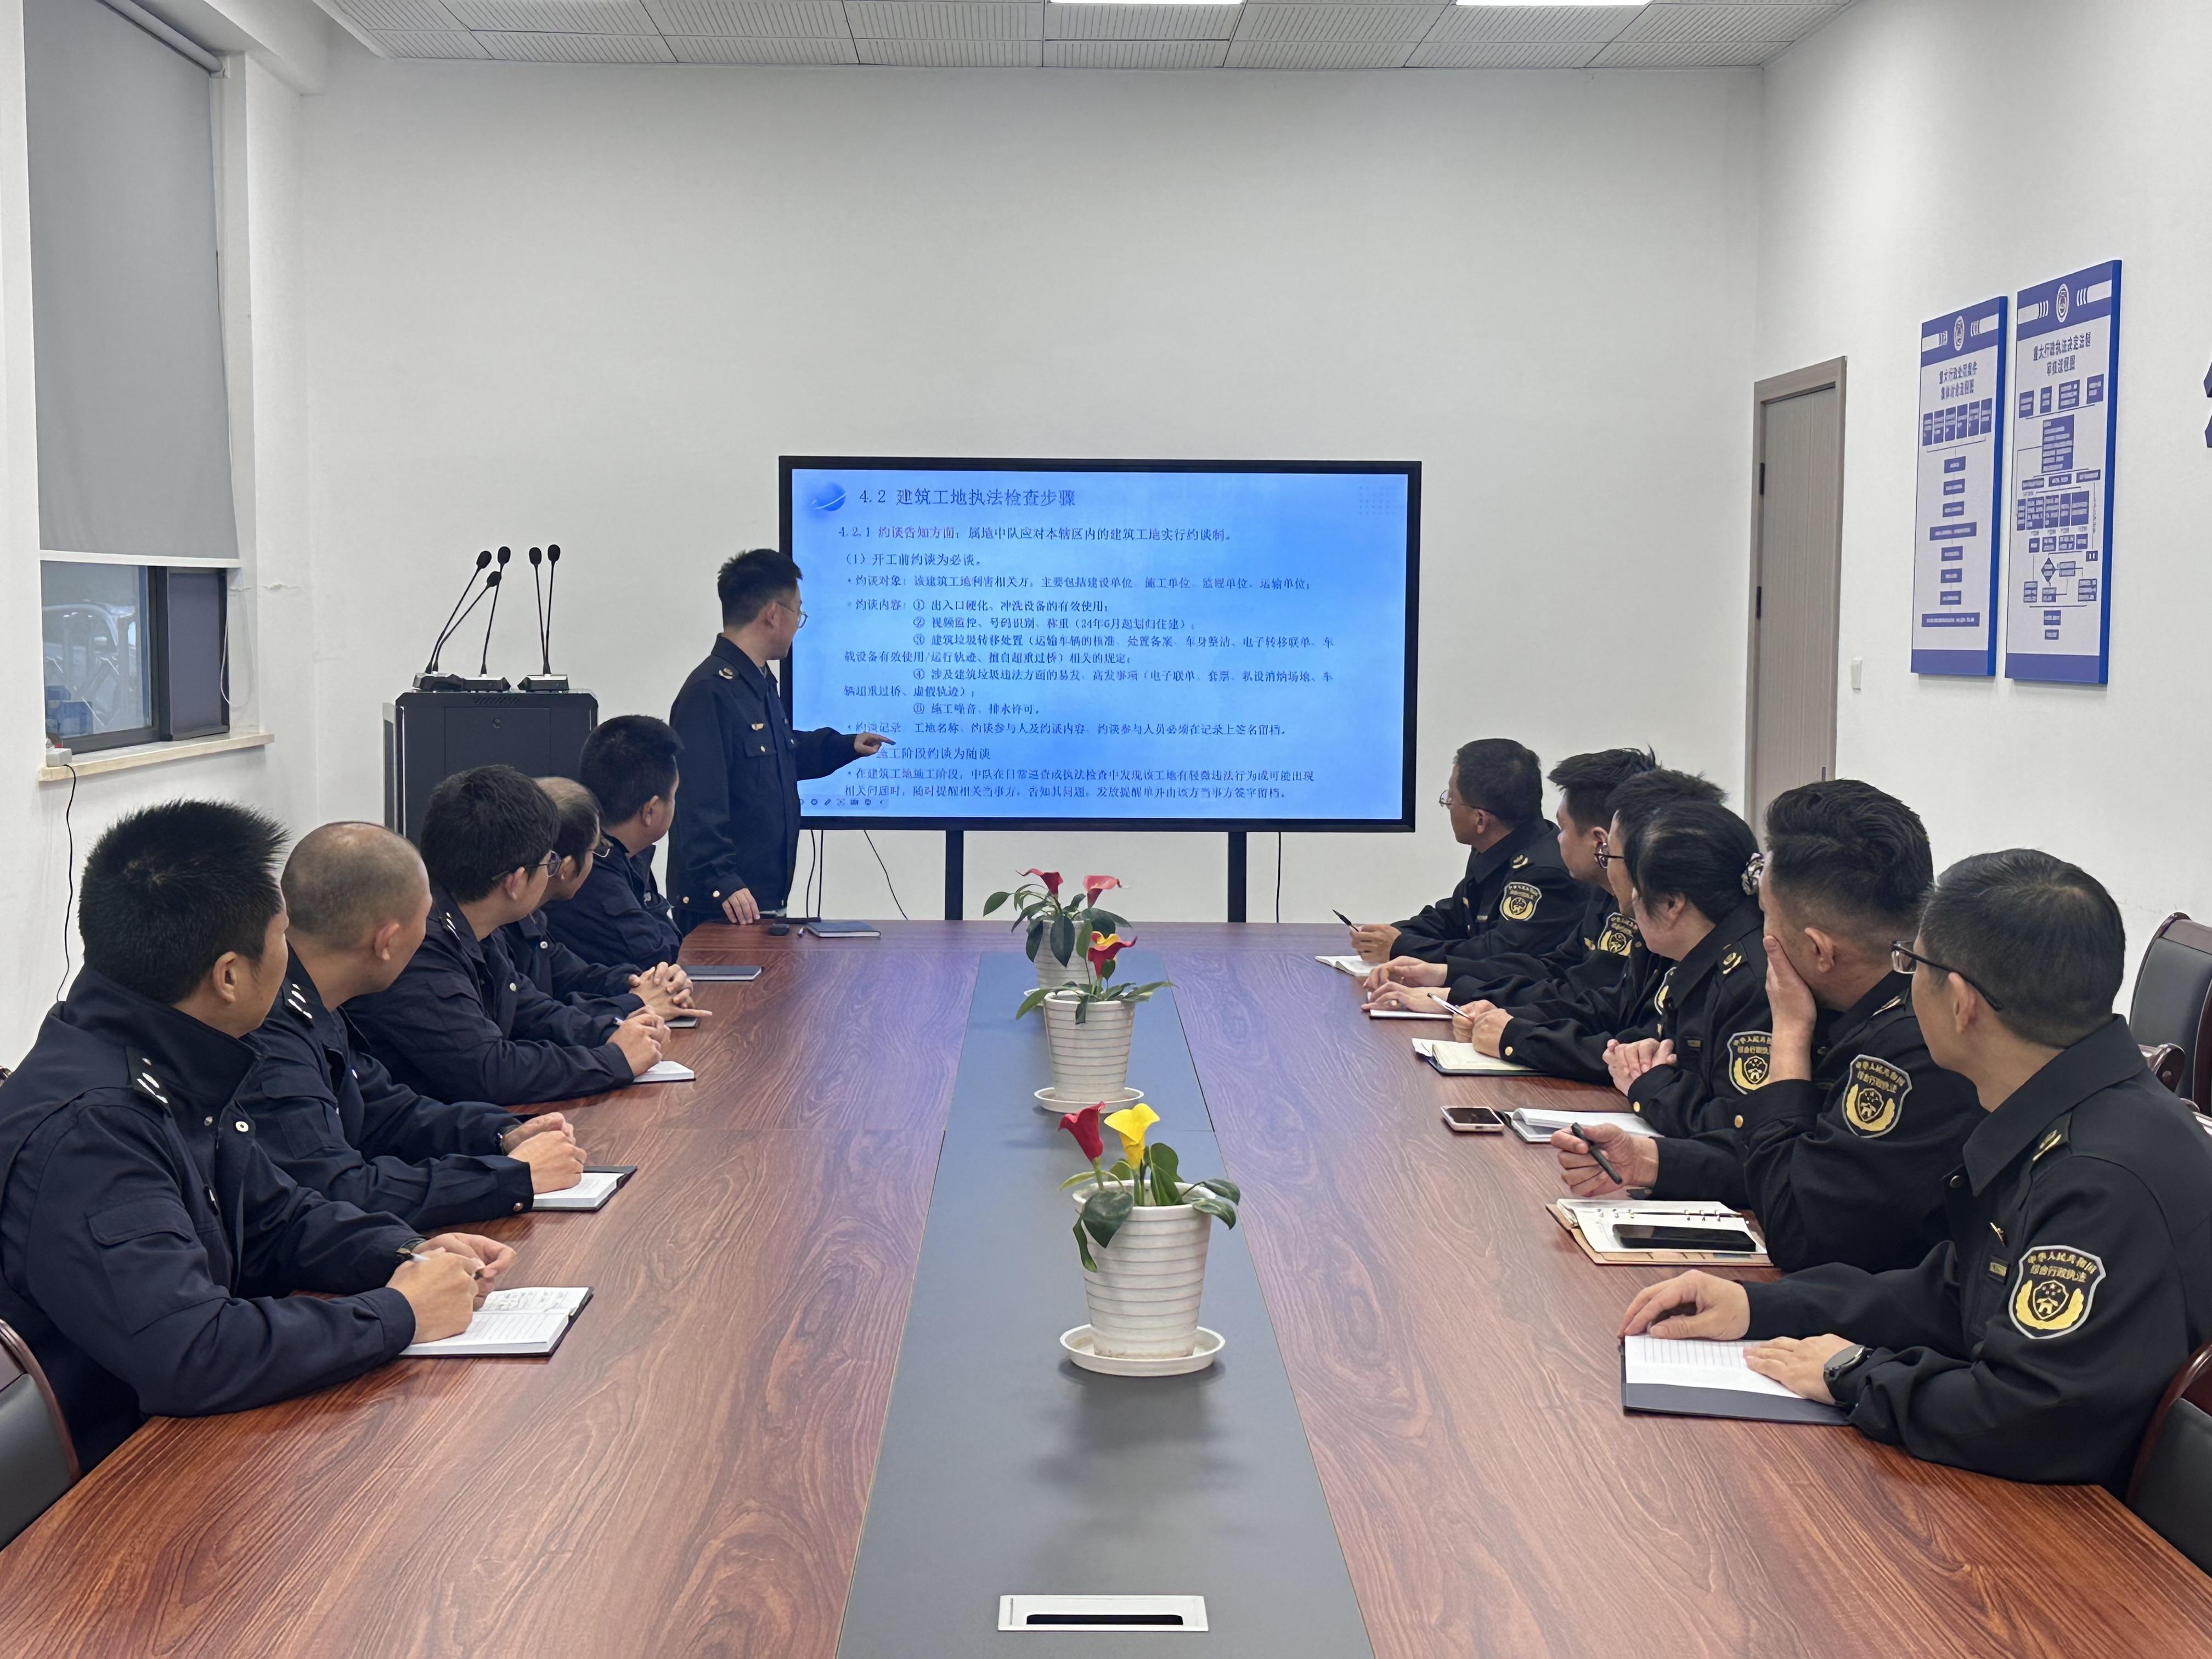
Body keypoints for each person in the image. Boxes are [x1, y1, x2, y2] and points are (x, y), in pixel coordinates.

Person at [1623, 850, 2212, 1491]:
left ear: (1961, 1002)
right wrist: (1760, 1306)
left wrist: (1854, 1373)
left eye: (1911, 963)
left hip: (2096, 1525)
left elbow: (2033, 1414)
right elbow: (1958, 1293)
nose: (1902, 982)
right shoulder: (2066, 1106)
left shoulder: (2097, 1175)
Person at [0, 802, 507, 1468]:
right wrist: (398, 1313)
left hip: (189, 1439)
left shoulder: (173, 1054)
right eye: (283, 935)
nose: (292, 955)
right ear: (229, 976)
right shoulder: (94, 1130)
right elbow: (193, 1353)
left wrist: (405, 1251)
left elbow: (276, 1221)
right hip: (116, 1476)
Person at [1558, 781, 1981, 1272]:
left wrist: (1790, 1037)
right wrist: (1650, 1160)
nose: (1758, 935)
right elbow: (1786, 1154)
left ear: (1819, 951)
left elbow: (1797, 1226)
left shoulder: (1911, 1049)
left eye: (1764, 918)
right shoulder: (1862, 1007)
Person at [240, 821, 589, 1229]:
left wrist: (501, 1134)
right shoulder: (270, 1033)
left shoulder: (316, 1001)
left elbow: (388, 1113)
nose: (429, 933)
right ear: (387, 941)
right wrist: (506, 1179)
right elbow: (338, 1190)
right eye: (425, 919)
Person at [348, 766, 667, 1107]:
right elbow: (491, 1071)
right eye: (548, 862)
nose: (554, 871)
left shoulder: (480, 928)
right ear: (515, 882)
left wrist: (618, 1029)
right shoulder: (421, 946)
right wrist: (612, 1059)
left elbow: (531, 1013)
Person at [1448, 769, 1724, 1082]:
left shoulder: (1723, 960)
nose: (1607, 865)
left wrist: (1517, 1036)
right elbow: (1609, 1008)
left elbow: (1649, 1053)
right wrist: (1506, 1017)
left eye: (1611, 855)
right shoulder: (1646, 924)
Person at [667, 549, 888, 933]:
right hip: (723, 909)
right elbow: (697, 803)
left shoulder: (759, 684)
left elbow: (783, 755)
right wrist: (723, 881)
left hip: (759, 902)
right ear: (773, 614)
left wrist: (845, 745)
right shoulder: (709, 692)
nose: (798, 626)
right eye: (798, 614)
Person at [1362, 747, 1653, 1011]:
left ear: (1601, 844)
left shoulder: (1554, 876)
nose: (1558, 839)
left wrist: (1459, 996)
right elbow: (1552, 969)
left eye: (1564, 829)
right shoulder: (1605, 894)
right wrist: (1443, 974)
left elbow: (1585, 1001)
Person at [1587, 798, 1770, 1163]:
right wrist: (1649, 1060)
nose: (1632, 900)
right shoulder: (1712, 956)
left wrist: (1649, 1085)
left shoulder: (1749, 982)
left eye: (1638, 888)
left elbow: (1738, 1130)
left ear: (1672, 903)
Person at [1346, 738, 1582, 971]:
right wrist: (1390, 935)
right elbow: (1453, 919)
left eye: (1450, 800)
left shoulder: (1545, 875)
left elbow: (1496, 956)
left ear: (1480, 820)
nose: (1447, 806)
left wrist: (1401, 947)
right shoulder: (1493, 848)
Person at [500, 778, 689, 1025]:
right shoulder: (497, 932)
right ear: (566, 868)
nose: (600, 859)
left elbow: (570, 974)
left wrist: (641, 983)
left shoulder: (531, 917)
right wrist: (637, 1001)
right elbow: (537, 1018)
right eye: (597, 850)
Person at [546, 714, 687, 973]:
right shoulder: (593, 873)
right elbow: (659, 956)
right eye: (675, 795)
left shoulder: (629, 855)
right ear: (650, 810)